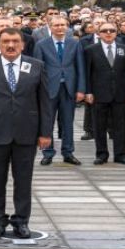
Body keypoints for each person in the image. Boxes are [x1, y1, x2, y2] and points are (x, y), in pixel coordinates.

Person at [0, 28, 52, 239]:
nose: (10, 45)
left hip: (27, 132)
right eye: (6, 41)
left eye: (15, 41)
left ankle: (21, 220)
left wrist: (45, 133)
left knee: (23, 180)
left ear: (23, 44)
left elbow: (45, 101)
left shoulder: (36, 66)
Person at [34, 16, 85, 165]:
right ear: (50, 26)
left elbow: (80, 67)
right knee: (47, 122)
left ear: (67, 27)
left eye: (63, 25)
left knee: (68, 122)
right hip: (48, 89)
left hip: (68, 88)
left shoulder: (74, 44)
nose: (60, 28)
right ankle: (47, 153)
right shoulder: (42, 44)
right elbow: (38, 69)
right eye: (56, 25)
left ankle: (68, 152)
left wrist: (81, 89)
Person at [83, 23, 125, 165]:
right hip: (98, 93)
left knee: (120, 125)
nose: (108, 33)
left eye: (112, 30)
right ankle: (101, 154)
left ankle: (120, 154)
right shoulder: (90, 50)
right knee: (99, 126)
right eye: (104, 31)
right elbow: (87, 73)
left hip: (120, 93)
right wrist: (87, 91)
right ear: (98, 33)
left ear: (116, 32)